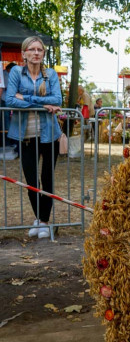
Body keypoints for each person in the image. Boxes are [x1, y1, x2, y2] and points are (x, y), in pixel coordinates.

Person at [5, 36, 63, 238]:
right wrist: (42, 104)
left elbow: (57, 99)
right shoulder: (15, 73)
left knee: (47, 179)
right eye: (32, 49)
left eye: (40, 50)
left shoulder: (51, 75)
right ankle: (38, 217)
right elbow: (11, 99)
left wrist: (27, 98)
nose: (36, 52)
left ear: (43, 54)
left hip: (49, 135)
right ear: (24, 53)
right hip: (25, 135)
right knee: (31, 181)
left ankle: (44, 221)